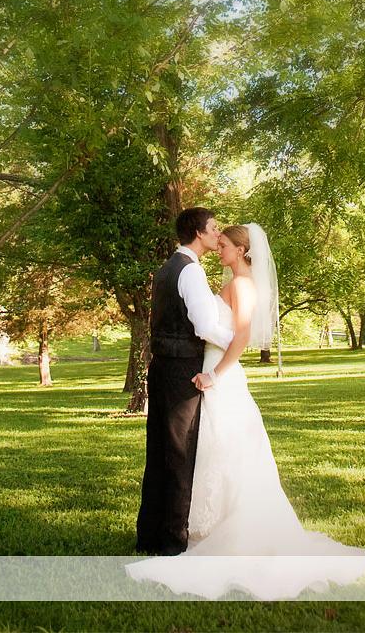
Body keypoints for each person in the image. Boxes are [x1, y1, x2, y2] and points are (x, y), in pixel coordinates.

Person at [127, 223, 365, 600]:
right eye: (218, 242)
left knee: (225, 449)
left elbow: (240, 336)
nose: (219, 250)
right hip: (208, 367)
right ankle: (198, 526)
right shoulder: (233, 281)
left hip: (218, 372)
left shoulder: (241, 285)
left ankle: (225, 531)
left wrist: (215, 375)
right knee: (209, 449)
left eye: (224, 245)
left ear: (240, 251)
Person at [134, 206, 234, 556]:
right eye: (213, 228)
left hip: (161, 368)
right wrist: (236, 340)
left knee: (159, 452)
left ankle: (148, 535)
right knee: (179, 454)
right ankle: (173, 542)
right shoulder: (190, 272)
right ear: (197, 232)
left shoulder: (167, 268)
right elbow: (204, 326)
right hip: (181, 372)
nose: (217, 233)